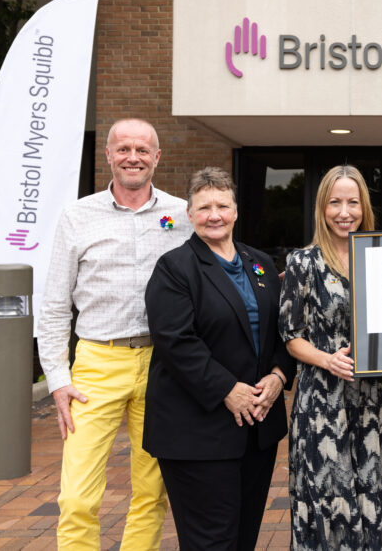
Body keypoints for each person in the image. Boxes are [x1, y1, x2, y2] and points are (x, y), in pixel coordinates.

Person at [38, 118, 191, 549]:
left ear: (157, 157)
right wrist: (58, 380)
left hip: (163, 364)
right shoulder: (77, 216)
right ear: (108, 155)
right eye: (124, 149)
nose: (133, 157)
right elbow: (54, 305)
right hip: (96, 363)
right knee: (77, 496)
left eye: (142, 150)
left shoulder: (182, 214)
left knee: (152, 491)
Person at [143, 167, 295, 549]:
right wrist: (228, 389)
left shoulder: (260, 263)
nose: (215, 215)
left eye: (222, 206)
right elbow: (176, 341)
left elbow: (285, 329)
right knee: (211, 542)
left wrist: (279, 375)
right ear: (189, 214)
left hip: (257, 430)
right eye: (204, 207)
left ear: (236, 211)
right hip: (198, 434)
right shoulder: (174, 268)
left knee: (243, 538)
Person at [279, 165, 382, 550]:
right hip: (322, 402)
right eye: (334, 202)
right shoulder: (302, 262)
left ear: (364, 207)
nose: (344, 212)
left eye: (352, 202)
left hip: (370, 400)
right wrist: (326, 359)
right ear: (322, 208)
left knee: (375, 492)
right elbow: (291, 335)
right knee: (329, 498)